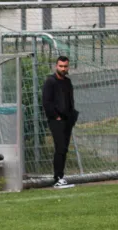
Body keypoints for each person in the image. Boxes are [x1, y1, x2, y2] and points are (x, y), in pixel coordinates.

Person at [42, 56, 78, 189]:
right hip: (56, 120)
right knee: (60, 147)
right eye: (61, 66)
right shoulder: (50, 82)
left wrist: (72, 116)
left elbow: (70, 101)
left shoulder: (67, 82)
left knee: (64, 149)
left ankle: (60, 177)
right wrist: (55, 116)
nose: (63, 69)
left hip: (67, 120)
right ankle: (57, 177)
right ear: (56, 66)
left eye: (65, 66)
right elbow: (46, 102)